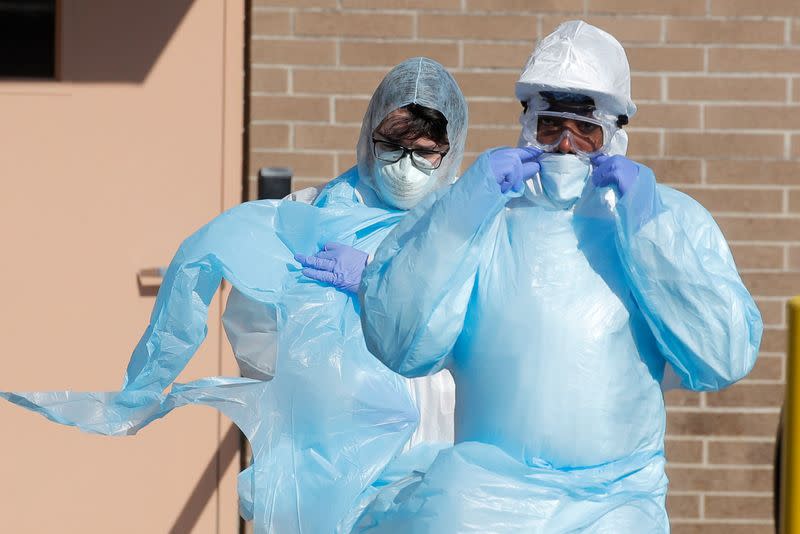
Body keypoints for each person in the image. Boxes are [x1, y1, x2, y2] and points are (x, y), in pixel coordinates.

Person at [2, 57, 467, 534]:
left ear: (449, 153)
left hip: (438, 424)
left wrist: (378, 283)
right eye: (391, 145)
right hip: (327, 445)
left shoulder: (469, 230)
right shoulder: (307, 216)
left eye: (425, 151)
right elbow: (253, 326)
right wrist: (311, 381)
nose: (405, 165)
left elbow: (484, 326)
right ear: (369, 135)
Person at [358, 21, 762, 532]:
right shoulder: (482, 212)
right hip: (484, 501)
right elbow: (398, 341)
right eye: (551, 126)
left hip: (618, 500)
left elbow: (722, 354)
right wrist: (464, 210)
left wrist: (649, 230)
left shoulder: (666, 219)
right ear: (528, 125)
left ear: (614, 134)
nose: (566, 147)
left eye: (585, 130)